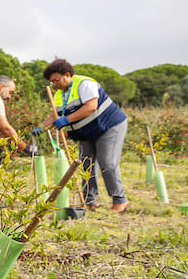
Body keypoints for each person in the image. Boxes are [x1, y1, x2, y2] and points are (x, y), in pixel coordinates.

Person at [40, 59, 129, 212]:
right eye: (52, 82)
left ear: (67, 75)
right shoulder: (59, 95)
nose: (55, 84)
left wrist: (66, 120)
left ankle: (120, 200)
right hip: (87, 132)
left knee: (107, 162)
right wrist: (40, 127)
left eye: (56, 79)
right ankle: (90, 200)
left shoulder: (84, 84)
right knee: (86, 165)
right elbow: (53, 116)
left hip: (109, 126)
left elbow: (91, 107)